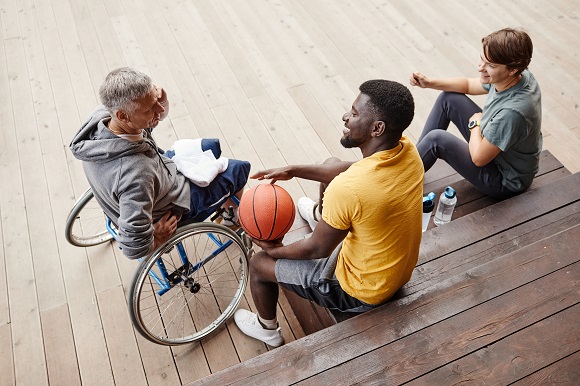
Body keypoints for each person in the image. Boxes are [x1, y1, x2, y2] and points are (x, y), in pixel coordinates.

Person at [233, 80, 424, 347]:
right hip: (392, 268)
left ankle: (267, 329)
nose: (346, 117)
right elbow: (352, 171)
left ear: (377, 128)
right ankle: (326, 219)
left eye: (355, 114)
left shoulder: (351, 189)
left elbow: (316, 249)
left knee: (258, 264)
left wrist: (273, 251)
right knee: (331, 165)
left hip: (361, 290)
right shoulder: (407, 150)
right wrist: (294, 170)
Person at [70, 67, 250, 259]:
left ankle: (223, 203)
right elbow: (134, 250)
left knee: (211, 146)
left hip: (159, 174)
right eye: (150, 109)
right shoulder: (136, 174)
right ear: (123, 116)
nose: (161, 110)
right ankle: (231, 219)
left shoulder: (102, 118)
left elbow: (150, 122)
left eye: (156, 102)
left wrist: (158, 99)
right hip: (174, 203)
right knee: (238, 169)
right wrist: (158, 237)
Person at [410, 28, 542, 199]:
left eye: (491, 65)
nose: (480, 68)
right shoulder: (518, 75)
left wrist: (475, 126)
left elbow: (479, 158)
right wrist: (429, 83)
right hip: (497, 148)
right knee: (448, 98)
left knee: (437, 140)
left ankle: (400, 179)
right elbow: (468, 85)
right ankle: (415, 164)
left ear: (513, 69)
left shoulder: (513, 113)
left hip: (504, 180)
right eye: (482, 59)